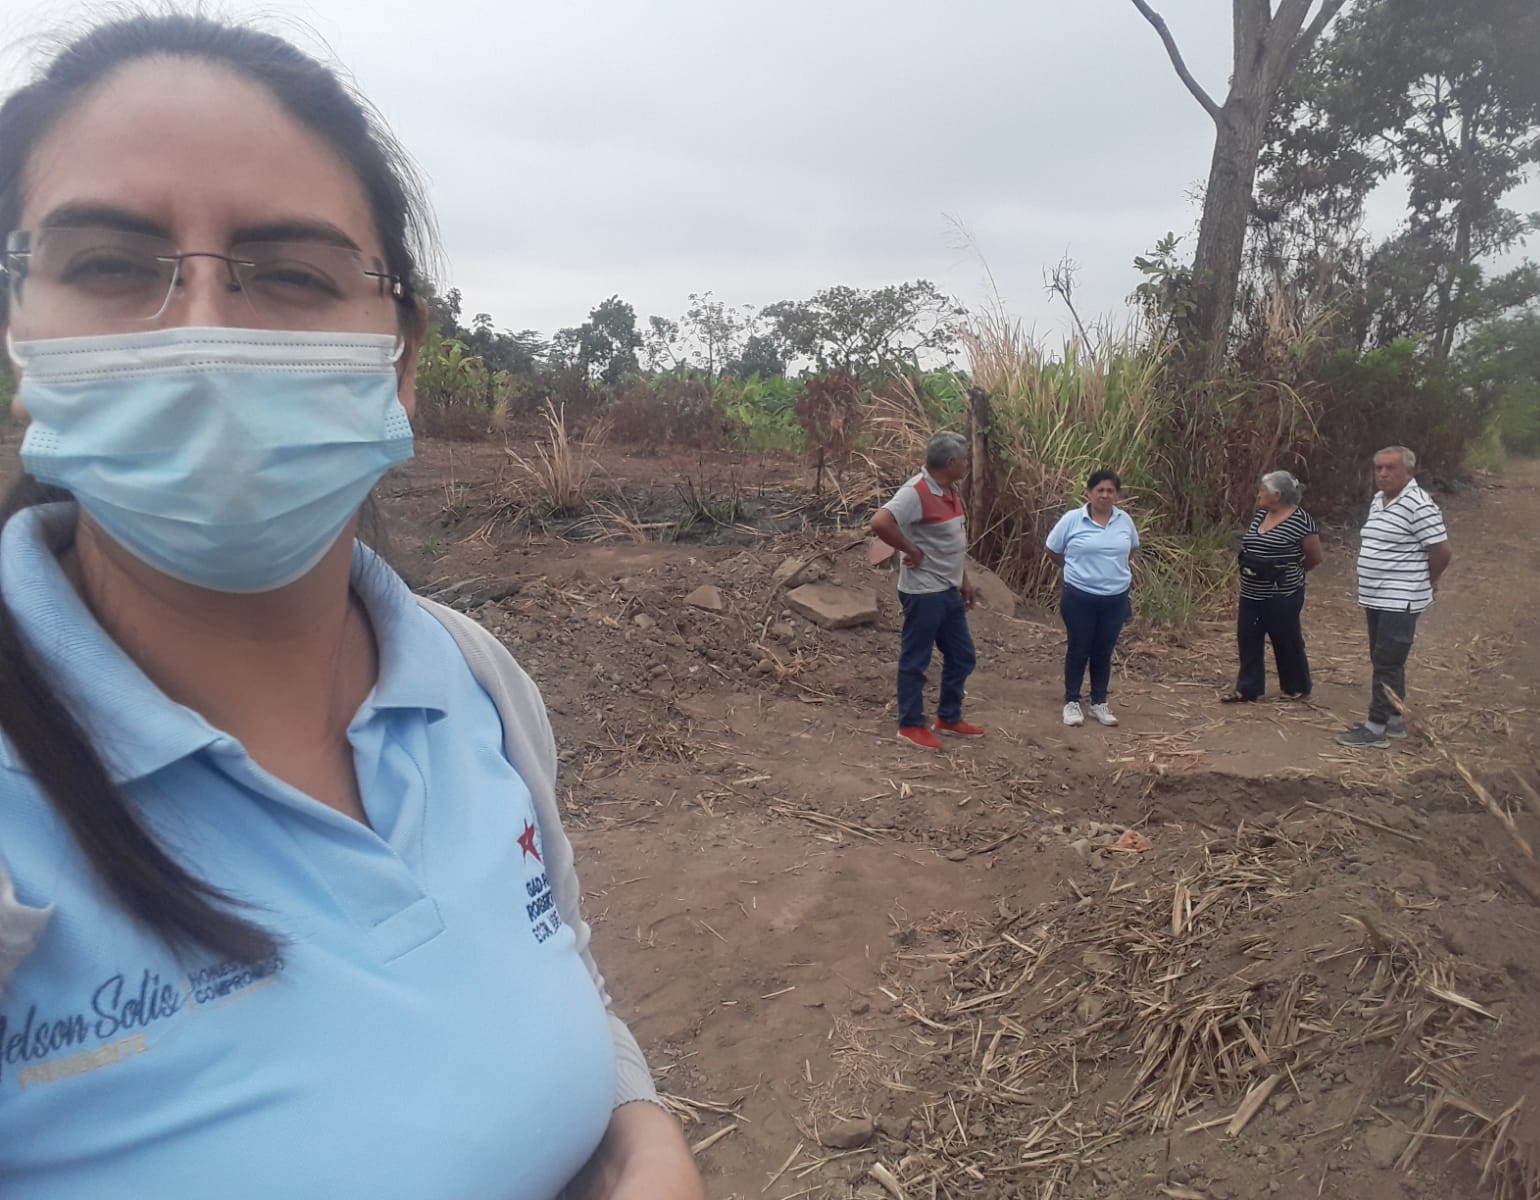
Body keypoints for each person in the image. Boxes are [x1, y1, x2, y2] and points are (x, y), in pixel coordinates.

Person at [0, 15, 702, 1199]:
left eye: (292, 275)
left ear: (401, 357)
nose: (204, 333)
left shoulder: (474, 682)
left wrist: (638, 1125)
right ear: (21, 327)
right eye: (111, 264)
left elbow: (556, 958)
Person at [868, 431, 983, 750]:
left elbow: (950, 542)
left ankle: (948, 717)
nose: (968, 464)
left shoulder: (949, 490)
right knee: (916, 658)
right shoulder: (915, 492)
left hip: (947, 588)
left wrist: (963, 580)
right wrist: (910, 549)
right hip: (924, 591)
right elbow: (880, 522)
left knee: (962, 655)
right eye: (964, 459)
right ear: (950, 462)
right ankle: (910, 725)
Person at [1336, 446, 1452, 749]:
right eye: (1379, 468)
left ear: (1409, 472)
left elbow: (1441, 550)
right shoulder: (1379, 500)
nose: (1383, 474)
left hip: (1400, 597)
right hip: (1376, 596)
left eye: (1391, 468)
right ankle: (1394, 719)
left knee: (1387, 661)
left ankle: (1375, 727)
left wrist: (1429, 580)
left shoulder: (1418, 504)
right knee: (1384, 658)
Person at [1045, 470, 1138, 727]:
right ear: (1088, 493)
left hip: (1115, 599)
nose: (1105, 495)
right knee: (1079, 648)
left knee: (1103, 650)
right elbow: (1052, 550)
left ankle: (1099, 703)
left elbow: (1131, 550)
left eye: (1110, 491)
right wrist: (1074, 569)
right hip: (1079, 597)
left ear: (1116, 494)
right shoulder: (1072, 520)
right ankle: (1072, 702)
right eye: (1100, 490)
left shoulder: (1124, 521)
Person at [1222, 470, 1324, 703]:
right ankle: (1247, 688)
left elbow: (1315, 556)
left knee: (1285, 638)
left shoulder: (1302, 521)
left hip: (1283, 593)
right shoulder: (1261, 515)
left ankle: (1296, 686)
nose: (1258, 494)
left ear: (1277, 495)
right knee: (1248, 637)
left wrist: (1290, 573)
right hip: (1251, 591)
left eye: (1263, 490)